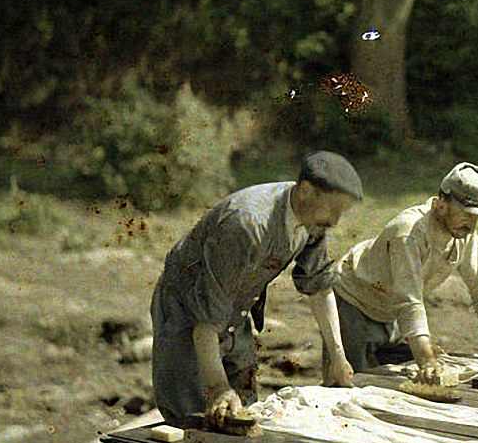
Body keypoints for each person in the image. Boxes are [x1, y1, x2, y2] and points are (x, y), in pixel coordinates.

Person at [150, 151, 361, 428]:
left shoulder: (312, 220)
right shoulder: (247, 223)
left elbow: (319, 287)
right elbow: (206, 321)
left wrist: (338, 358)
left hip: (235, 309)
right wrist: (218, 388)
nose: (335, 221)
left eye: (340, 213)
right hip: (187, 311)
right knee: (193, 417)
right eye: (332, 210)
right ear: (306, 191)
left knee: (245, 411)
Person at [326, 161, 478, 385]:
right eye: (467, 214)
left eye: (477, 216)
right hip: (353, 299)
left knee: (390, 381)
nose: (472, 223)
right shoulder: (409, 232)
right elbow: (409, 301)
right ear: (441, 205)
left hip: (389, 309)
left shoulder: (463, 232)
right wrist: (426, 360)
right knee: (346, 384)